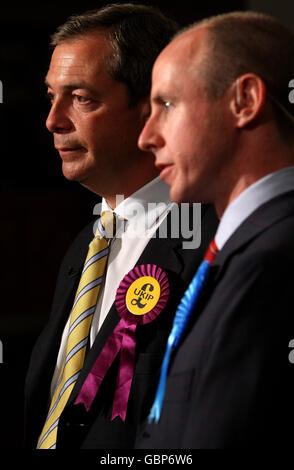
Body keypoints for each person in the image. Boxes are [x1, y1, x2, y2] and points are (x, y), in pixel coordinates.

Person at [24, 4, 218, 449]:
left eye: (82, 98)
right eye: (51, 96)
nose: (53, 120)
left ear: (152, 107)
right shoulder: (83, 249)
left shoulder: (213, 242)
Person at [137, 11, 294, 448]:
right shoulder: (241, 250)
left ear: (244, 101)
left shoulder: (272, 262)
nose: (146, 136)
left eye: (166, 105)